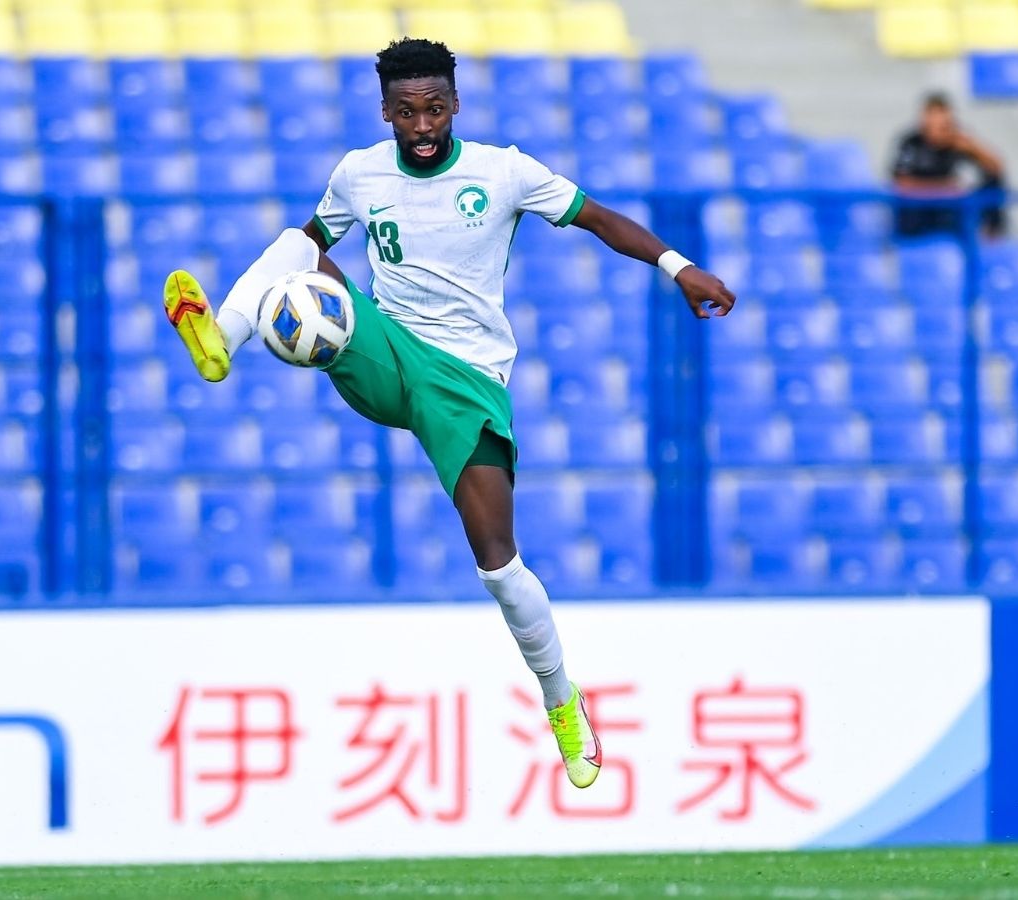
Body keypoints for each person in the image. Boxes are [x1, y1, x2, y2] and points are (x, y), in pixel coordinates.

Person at [161, 38, 736, 791]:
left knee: (498, 562)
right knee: (298, 249)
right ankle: (221, 342)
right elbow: (316, 244)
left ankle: (562, 700)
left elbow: (597, 217)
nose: (421, 123)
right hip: (387, 347)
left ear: (455, 105)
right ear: (386, 113)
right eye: (406, 111)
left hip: (467, 379)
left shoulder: (503, 172)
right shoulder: (358, 173)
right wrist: (314, 270)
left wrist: (678, 266)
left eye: (433, 107)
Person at [890, 92, 1006, 238]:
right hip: (919, 209)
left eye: (944, 121)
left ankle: (992, 236)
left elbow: (997, 167)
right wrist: (944, 187)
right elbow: (901, 184)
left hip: (949, 207)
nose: (940, 125)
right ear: (924, 119)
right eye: (934, 118)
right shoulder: (911, 142)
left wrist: (973, 148)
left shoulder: (957, 141)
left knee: (992, 180)